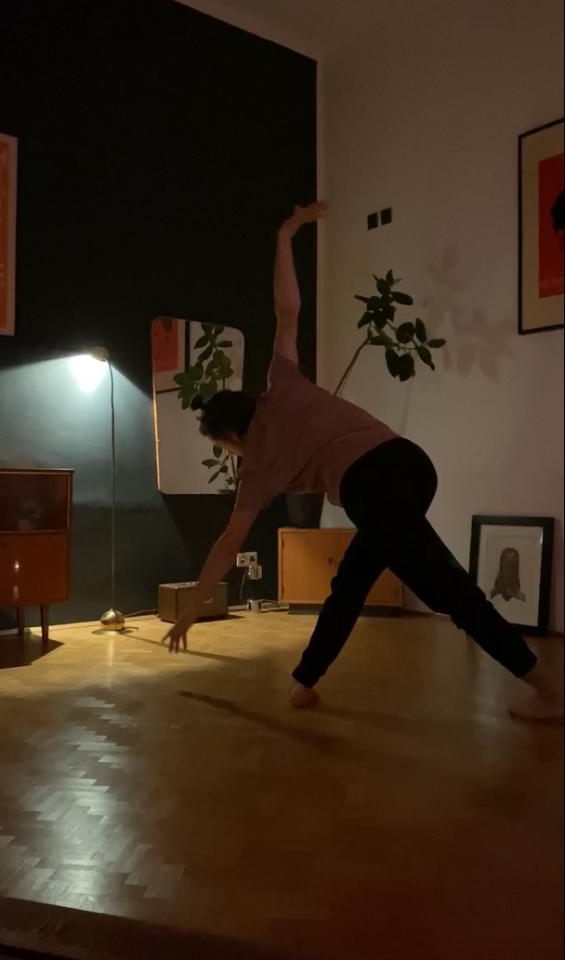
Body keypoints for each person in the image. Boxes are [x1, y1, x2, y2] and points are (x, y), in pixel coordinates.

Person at [164, 202, 562, 722]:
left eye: (224, 446)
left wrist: (192, 608)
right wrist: (285, 236)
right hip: (410, 462)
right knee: (352, 582)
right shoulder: (281, 382)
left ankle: (548, 690)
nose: (231, 454)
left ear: (232, 435)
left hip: (372, 484)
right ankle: (305, 680)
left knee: (447, 590)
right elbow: (288, 310)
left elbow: (227, 544)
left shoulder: (256, 467)